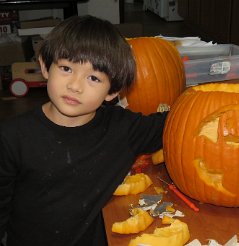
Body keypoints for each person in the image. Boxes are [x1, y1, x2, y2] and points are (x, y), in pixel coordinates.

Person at [0, 15, 167, 246]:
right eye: (66, 68)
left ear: (112, 91)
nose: (75, 86)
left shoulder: (123, 129)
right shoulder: (11, 138)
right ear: (45, 66)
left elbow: (176, 124)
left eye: (93, 78)